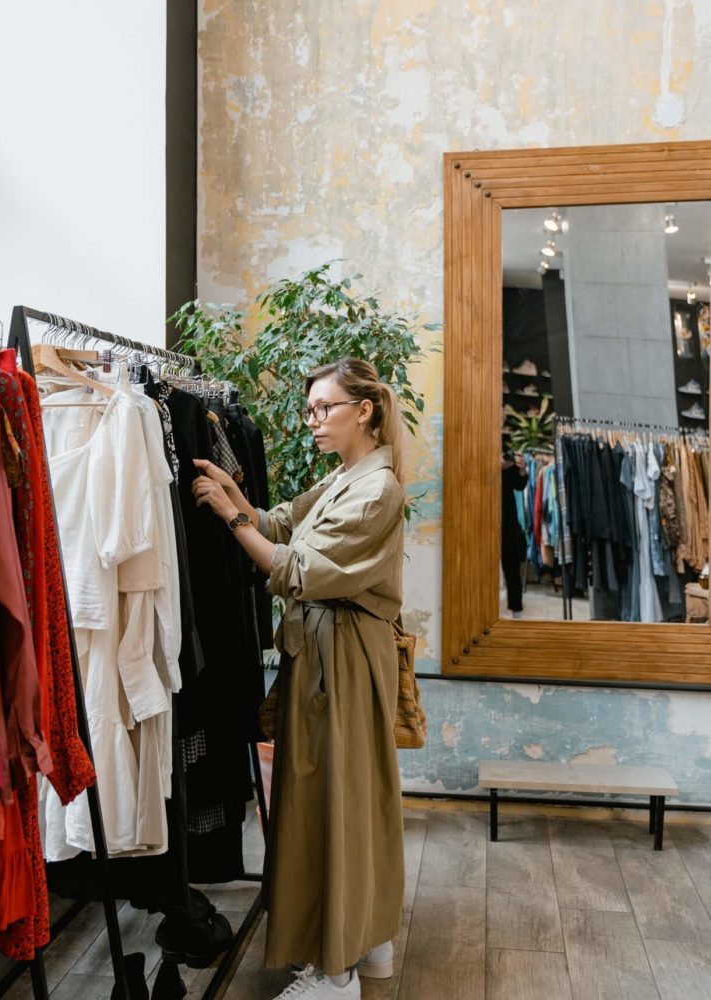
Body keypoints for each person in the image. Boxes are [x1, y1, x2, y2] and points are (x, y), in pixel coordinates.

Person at [191, 357, 406, 1000]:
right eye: (310, 409)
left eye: (324, 408)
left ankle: (334, 969)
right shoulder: (350, 476)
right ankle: (367, 944)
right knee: (350, 800)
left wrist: (230, 520)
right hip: (330, 654)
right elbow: (281, 520)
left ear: (362, 411)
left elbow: (294, 568)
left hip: (340, 658)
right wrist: (234, 497)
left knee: (328, 805)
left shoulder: (376, 489)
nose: (312, 420)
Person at [501, 451, 528, 619]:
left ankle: (516, 609)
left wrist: (522, 469)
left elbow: (519, 484)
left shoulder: (508, 467)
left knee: (512, 568)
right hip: (485, 522)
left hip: (508, 523)